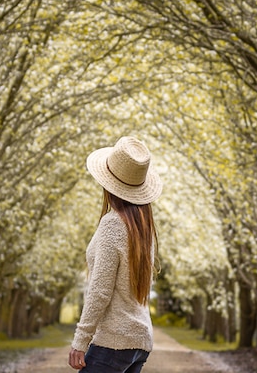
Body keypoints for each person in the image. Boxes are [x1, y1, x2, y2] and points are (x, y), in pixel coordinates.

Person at [69, 136, 163, 373]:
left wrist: (81, 340)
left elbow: (100, 289)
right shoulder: (144, 229)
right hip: (139, 341)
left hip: (113, 342)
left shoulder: (113, 224)